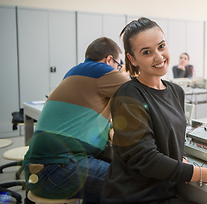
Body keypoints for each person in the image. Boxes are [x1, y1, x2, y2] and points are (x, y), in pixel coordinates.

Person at [101, 17, 207, 204]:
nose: (159, 56)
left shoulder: (176, 91)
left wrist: (181, 160)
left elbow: (170, 140)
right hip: (134, 197)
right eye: (147, 52)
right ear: (132, 59)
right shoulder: (128, 96)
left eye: (161, 46)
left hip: (165, 191)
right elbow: (147, 159)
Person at [23, 37, 129, 203]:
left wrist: (108, 130)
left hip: (39, 171)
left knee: (100, 194)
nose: (118, 70)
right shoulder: (101, 70)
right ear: (109, 59)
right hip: (57, 169)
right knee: (132, 184)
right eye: (118, 65)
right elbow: (139, 94)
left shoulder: (74, 72)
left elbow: (84, 119)